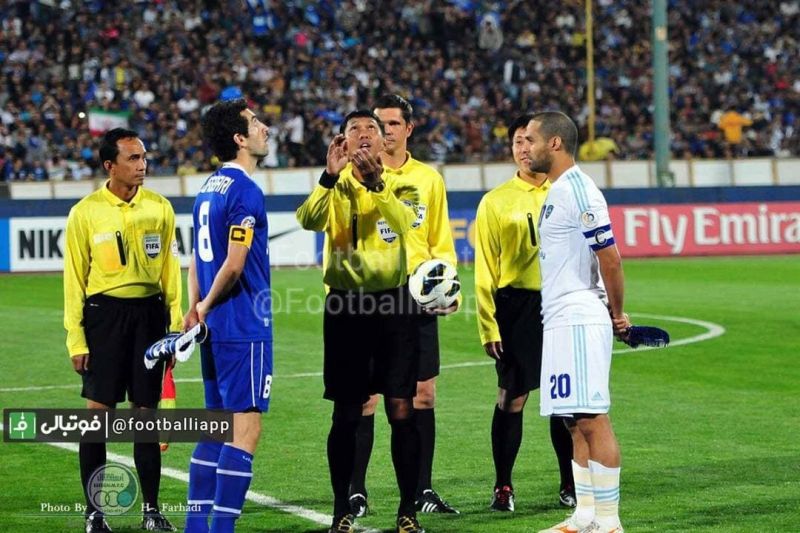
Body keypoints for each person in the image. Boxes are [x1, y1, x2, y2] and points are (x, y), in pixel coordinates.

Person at [296, 110, 425, 533]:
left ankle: (407, 511)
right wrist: (328, 176)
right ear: (343, 141)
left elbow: (405, 225)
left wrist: (377, 185)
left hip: (394, 305)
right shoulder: (332, 185)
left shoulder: (402, 184)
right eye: (356, 129)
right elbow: (307, 220)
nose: (365, 134)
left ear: (385, 140)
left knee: (401, 409)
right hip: (346, 308)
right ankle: (341, 511)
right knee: (347, 412)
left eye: (373, 128)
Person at [63, 127, 182, 533]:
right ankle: (95, 513)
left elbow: (171, 271)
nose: (142, 165)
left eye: (143, 157)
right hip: (105, 317)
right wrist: (76, 338)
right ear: (109, 165)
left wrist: (175, 328)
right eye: (133, 158)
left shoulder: (160, 207)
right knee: (98, 416)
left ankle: (152, 511)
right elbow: (73, 281)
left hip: (150, 316)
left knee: (146, 415)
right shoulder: (85, 212)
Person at [347, 94, 459, 519]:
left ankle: (421, 489)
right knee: (366, 398)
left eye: (393, 124)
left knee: (423, 395)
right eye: (379, 124)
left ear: (409, 129)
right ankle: (356, 491)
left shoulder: (428, 179)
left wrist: (448, 288)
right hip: (370, 297)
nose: (385, 131)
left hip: (417, 298)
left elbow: (440, 240)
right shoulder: (354, 175)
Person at [527, 111, 629, 533]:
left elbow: (610, 258)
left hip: (579, 319)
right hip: (558, 318)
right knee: (572, 420)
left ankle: (609, 521)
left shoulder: (580, 190)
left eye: (531, 139)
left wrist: (616, 312)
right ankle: (585, 515)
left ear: (554, 143)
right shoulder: (557, 191)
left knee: (591, 417)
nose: (524, 148)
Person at [474, 114, 575, 514]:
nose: (522, 148)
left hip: (561, 302)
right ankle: (503, 485)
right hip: (517, 307)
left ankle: (570, 483)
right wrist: (488, 323)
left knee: (564, 399)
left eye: (528, 141)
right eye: (517, 142)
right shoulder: (496, 200)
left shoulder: (566, 192)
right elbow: (485, 266)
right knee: (512, 398)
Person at [183, 99, 273, 533]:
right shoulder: (245, 191)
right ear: (239, 138)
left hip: (213, 328)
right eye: (255, 123)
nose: (264, 128)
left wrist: (194, 308)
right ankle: (221, 529)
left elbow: (194, 260)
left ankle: (196, 526)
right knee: (245, 430)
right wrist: (202, 306)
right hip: (243, 325)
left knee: (215, 426)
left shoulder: (208, 188)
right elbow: (234, 265)